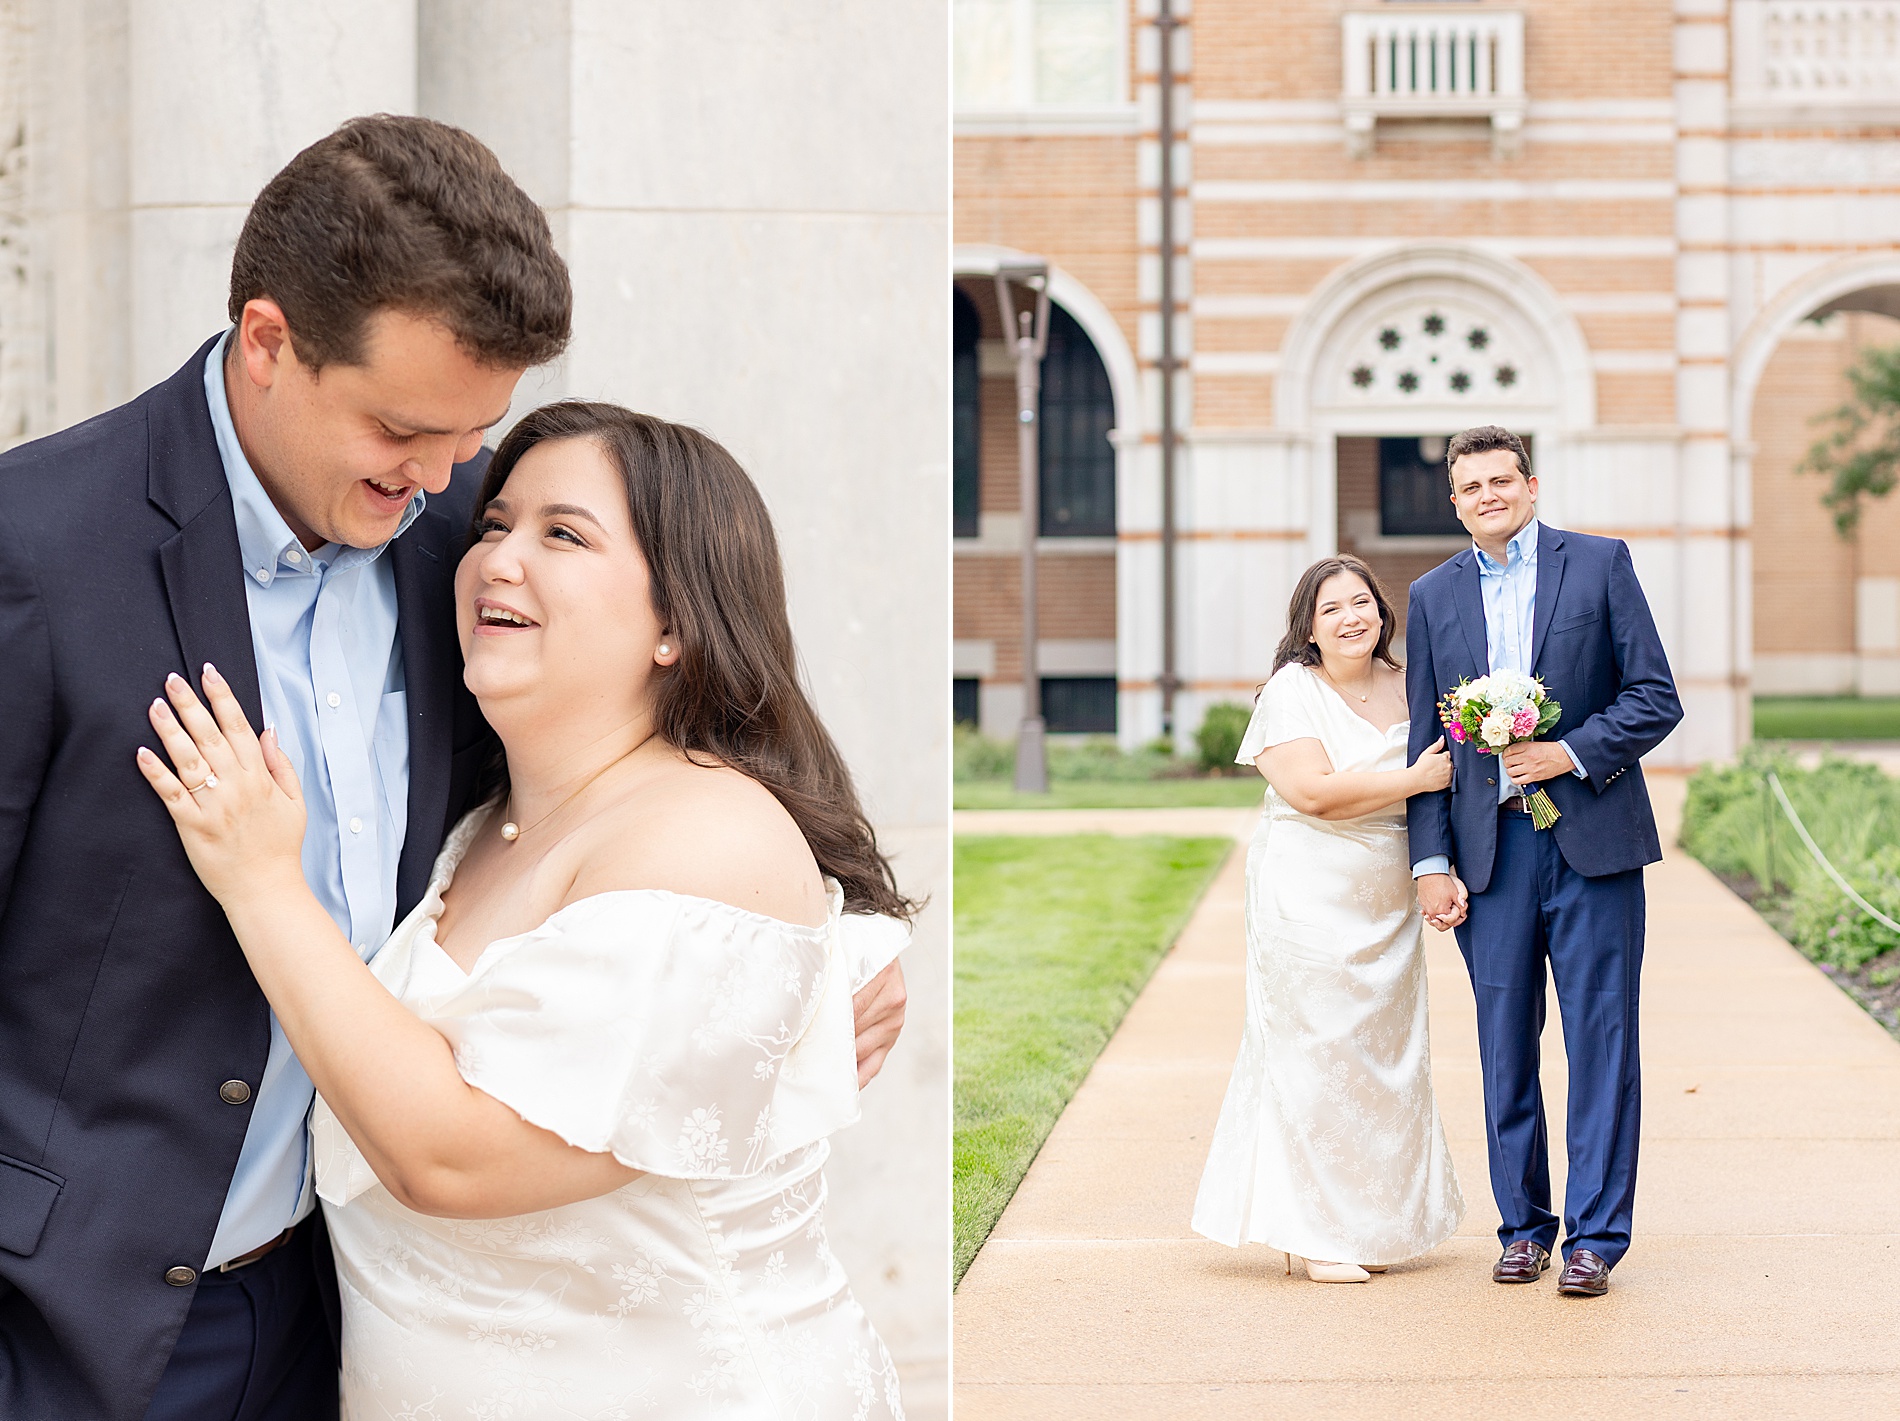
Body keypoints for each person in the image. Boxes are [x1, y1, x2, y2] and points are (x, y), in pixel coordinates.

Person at [0, 115, 905, 1421]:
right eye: (403, 428)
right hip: (71, 1331)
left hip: (337, 1320)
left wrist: (811, 972)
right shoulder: (35, 549)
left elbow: (658, 780)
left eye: (471, 437)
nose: (439, 480)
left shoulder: (463, 552)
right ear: (269, 342)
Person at [139, 402, 909, 1417]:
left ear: (676, 622)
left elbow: (451, 1155)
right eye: (495, 524)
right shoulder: (480, 827)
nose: (498, 559)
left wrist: (261, 881)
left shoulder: (707, 839)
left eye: (564, 535)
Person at [1406, 425, 1681, 1298]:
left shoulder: (1599, 565)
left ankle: (1596, 1237)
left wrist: (1568, 753)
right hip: (1491, 855)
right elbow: (1426, 745)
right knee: (1503, 1048)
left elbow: (1655, 697)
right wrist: (1430, 859)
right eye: (1471, 486)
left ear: (1531, 486)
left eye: (1502, 480)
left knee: (1603, 1038)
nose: (1488, 495)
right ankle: (1523, 1228)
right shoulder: (1431, 596)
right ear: (1455, 501)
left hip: (1592, 841)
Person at [1193, 554, 1466, 1282]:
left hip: (1385, 896)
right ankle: (1312, 1233)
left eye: (1361, 602)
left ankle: (1374, 1223)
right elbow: (1312, 793)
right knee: (1313, 1055)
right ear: (1308, 629)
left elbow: (1453, 788)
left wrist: (1442, 865)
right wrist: (1414, 778)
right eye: (1331, 609)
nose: (1351, 618)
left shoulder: (1411, 683)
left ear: (1382, 611)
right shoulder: (1292, 691)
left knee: (1383, 1059)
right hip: (1306, 893)